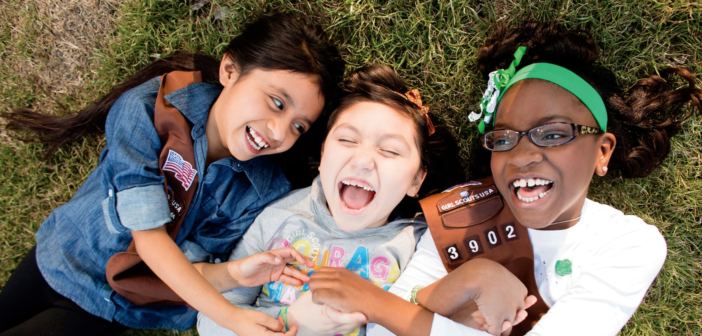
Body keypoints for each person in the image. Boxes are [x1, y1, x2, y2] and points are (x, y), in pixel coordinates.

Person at [307, 23, 701, 336]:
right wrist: (467, 281)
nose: (524, 155)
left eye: (553, 133)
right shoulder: (460, 209)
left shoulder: (628, 243)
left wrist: (383, 305)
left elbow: (391, 316)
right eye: (505, 138)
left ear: (603, 151)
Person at [0, 13, 345, 336]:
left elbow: (186, 271)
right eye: (277, 103)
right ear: (229, 69)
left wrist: (235, 273)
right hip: (62, 253)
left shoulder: (259, 191)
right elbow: (148, 237)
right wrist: (231, 318)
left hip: (111, 306)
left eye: (298, 126)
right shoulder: (151, 108)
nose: (279, 132)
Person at [196, 64, 469, 336]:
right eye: (347, 140)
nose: (362, 161)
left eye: (389, 150)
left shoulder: (421, 246)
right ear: (324, 153)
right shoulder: (278, 217)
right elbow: (210, 320)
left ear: (416, 180)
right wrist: (290, 320)